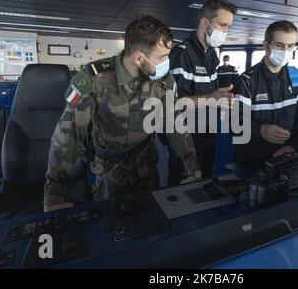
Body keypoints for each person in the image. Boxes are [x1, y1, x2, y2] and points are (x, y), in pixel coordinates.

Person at [44, 15, 200, 212]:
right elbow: (68, 137)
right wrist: (54, 197)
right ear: (138, 57)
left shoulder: (163, 82)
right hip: (109, 171)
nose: (167, 63)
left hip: (147, 167)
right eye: (162, 57)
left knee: (150, 222)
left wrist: (192, 170)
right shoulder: (94, 80)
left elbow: (175, 126)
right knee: (110, 228)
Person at [168, 0, 236, 181]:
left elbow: (208, 94)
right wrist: (212, 98)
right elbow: (172, 104)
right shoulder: (181, 54)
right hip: (186, 140)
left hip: (208, 133)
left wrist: (221, 96)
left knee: (204, 186)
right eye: (222, 25)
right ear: (204, 22)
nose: (225, 32)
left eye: (228, 27)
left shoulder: (212, 55)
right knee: (183, 194)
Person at [232, 20, 298, 163]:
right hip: (253, 160)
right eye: (279, 45)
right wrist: (260, 130)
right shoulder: (247, 81)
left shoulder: (296, 79)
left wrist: (294, 146)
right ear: (266, 46)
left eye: (290, 46)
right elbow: (233, 123)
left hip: (287, 157)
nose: (285, 51)